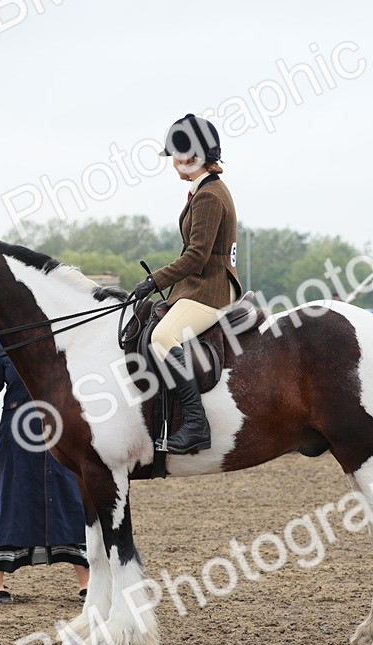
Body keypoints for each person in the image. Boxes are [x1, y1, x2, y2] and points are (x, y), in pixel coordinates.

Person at [129, 113, 242, 455]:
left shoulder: (209, 196)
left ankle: (195, 424)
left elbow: (196, 257)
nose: (174, 163)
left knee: (164, 336)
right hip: (199, 286)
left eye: (176, 156)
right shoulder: (203, 190)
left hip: (211, 290)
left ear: (191, 156)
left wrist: (154, 280)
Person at [0, 339, 89, 604]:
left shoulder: (61, 336)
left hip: (61, 430)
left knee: (70, 500)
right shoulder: (2, 342)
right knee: (10, 503)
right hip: (15, 436)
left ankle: (86, 580)